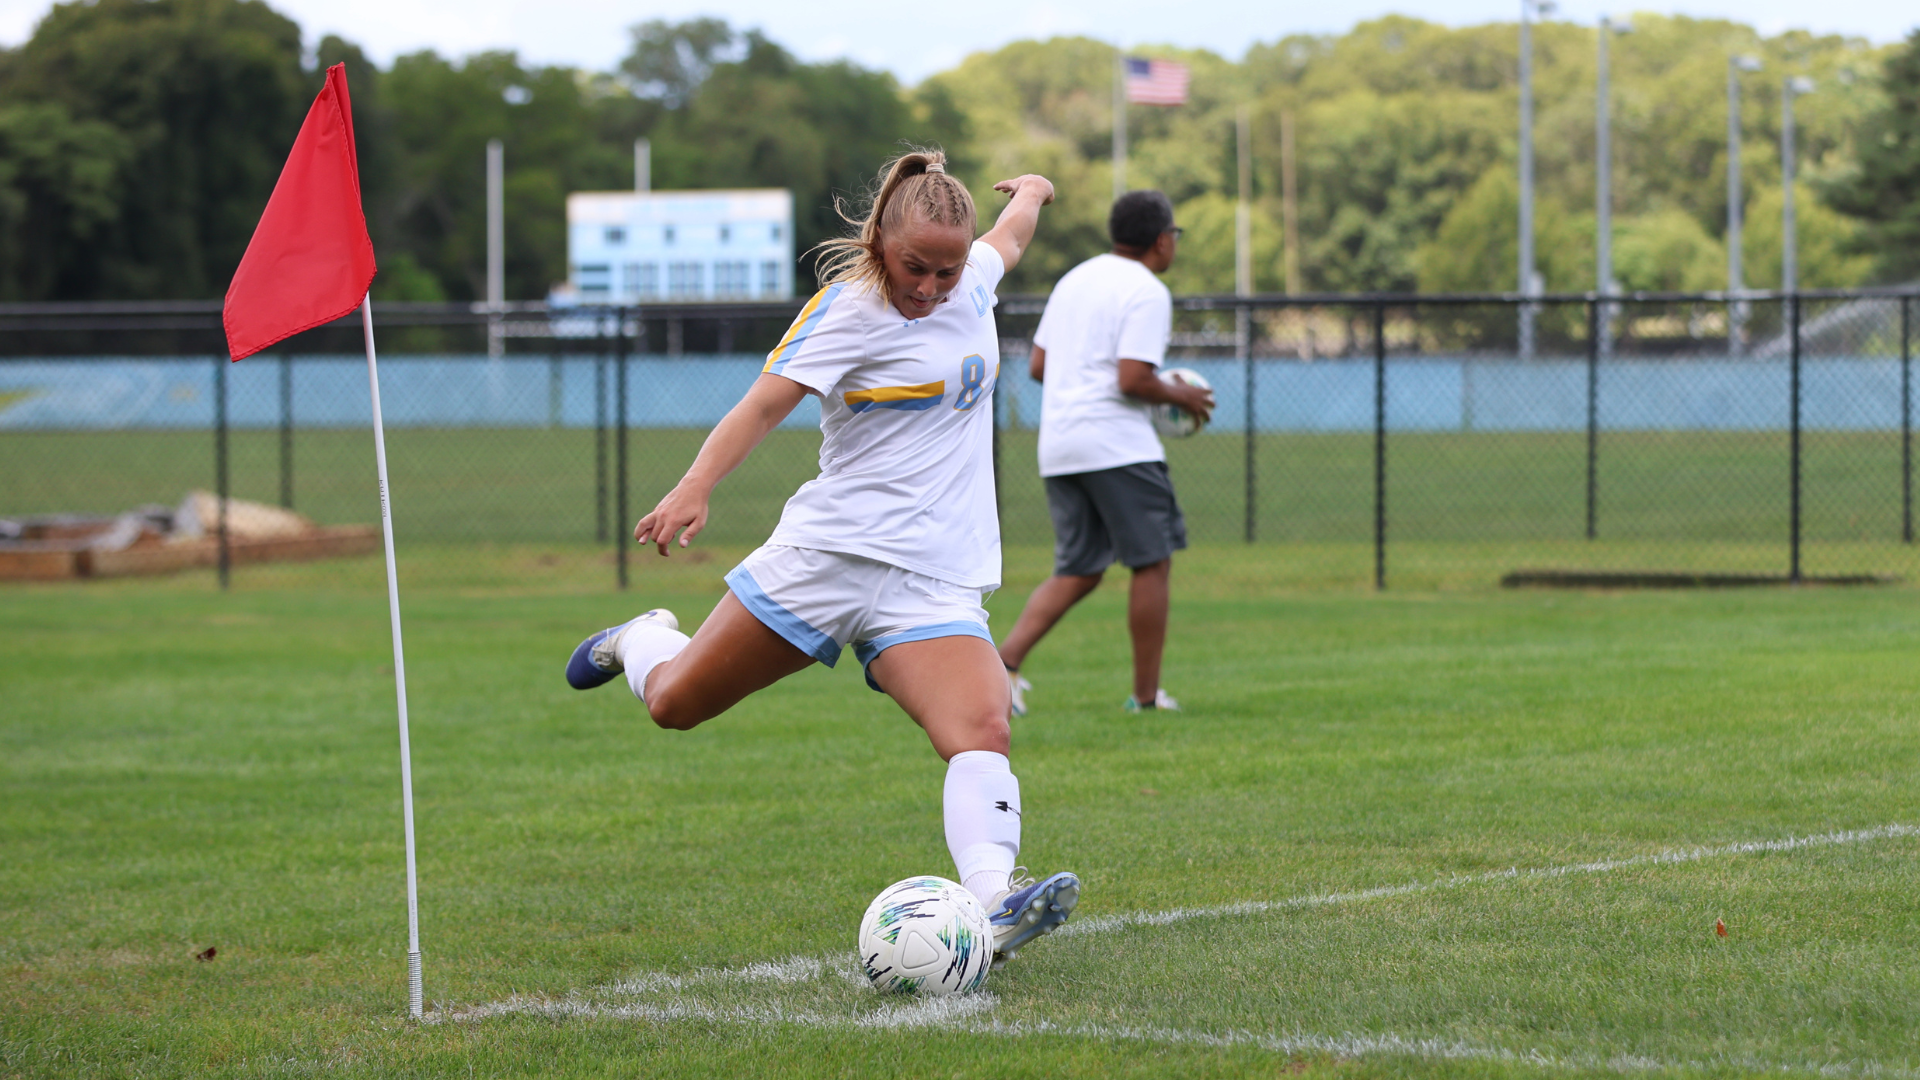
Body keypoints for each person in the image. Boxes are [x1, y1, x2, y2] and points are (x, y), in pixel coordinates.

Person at [563, 150, 1077, 968]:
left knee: (982, 726)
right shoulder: (845, 310)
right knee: (675, 704)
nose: (931, 287)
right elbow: (761, 407)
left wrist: (1037, 191)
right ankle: (641, 638)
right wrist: (695, 486)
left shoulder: (973, 279)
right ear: (881, 244)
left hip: (932, 576)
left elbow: (1011, 236)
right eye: (915, 267)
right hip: (826, 558)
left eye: (946, 271)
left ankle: (993, 902)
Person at [996, 189, 1214, 717]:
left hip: (1061, 443)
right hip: (1118, 445)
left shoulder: (1075, 279)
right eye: (1174, 235)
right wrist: (1180, 395)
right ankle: (1146, 698)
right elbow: (1132, 378)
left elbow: (1040, 366)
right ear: (1161, 240)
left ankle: (1002, 668)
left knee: (1080, 568)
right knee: (1152, 562)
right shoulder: (1147, 290)